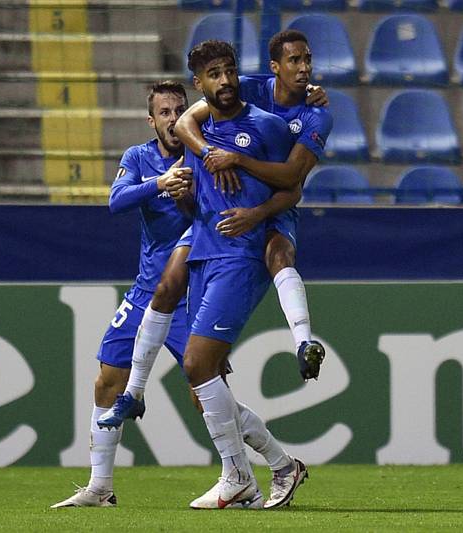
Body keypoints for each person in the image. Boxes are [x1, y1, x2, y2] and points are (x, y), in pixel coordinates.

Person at [50, 81, 194, 508]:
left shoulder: (204, 154)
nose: (172, 118)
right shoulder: (138, 157)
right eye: (164, 112)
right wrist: (161, 183)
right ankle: (100, 486)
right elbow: (116, 201)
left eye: (178, 110)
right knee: (107, 379)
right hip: (145, 291)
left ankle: (266, 467)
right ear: (152, 121)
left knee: (207, 391)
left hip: (189, 292)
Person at [177, 39, 298, 509]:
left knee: (195, 364)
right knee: (204, 385)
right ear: (200, 84)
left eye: (229, 71)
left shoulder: (265, 126)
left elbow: (292, 186)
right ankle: (280, 466)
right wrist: (183, 194)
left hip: (241, 255)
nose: (225, 81)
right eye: (214, 75)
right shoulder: (199, 130)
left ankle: (237, 475)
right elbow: (199, 199)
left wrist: (257, 215)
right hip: (203, 254)